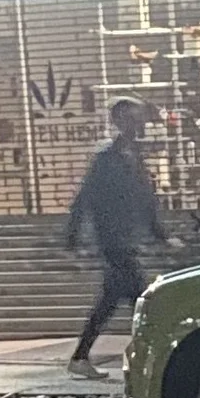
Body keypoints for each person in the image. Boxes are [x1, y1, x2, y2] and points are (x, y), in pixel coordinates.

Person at [66, 98, 177, 379]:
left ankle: (81, 356)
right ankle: (155, 359)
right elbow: (85, 198)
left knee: (113, 300)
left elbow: (146, 199)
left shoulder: (134, 155)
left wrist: (160, 235)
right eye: (131, 118)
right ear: (117, 121)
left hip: (125, 239)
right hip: (113, 240)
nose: (138, 123)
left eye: (139, 118)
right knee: (142, 300)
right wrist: (73, 235)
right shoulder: (106, 158)